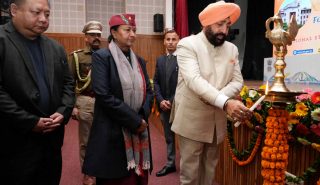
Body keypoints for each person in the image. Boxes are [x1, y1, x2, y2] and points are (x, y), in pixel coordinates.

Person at [170, 1, 252, 185]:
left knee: (209, 173)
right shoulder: (187, 45)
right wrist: (224, 101)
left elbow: (238, 81)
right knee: (190, 176)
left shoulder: (232, 49)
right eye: (219, 24)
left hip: (216, 122)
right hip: (192, 120)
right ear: (206, 23)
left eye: (228, 25)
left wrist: (219, 99)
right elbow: (194, 81)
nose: (224, 30)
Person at [0, 0, 75, 185]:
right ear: (14, 10)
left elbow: (68, 83)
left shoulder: (55, 47)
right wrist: (30, 121)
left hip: (51, 142)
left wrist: (63, 111)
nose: (43, 19)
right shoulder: (2, 40)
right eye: (36, 13)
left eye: (47, 14)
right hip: (14, 143)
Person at [82, 14, 153, 185]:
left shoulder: (140, 61)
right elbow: (103, 95)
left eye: (134, 30)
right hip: (112, 131)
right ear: (114, 33)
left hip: (138, 129)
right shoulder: (102, 57)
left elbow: (149, 92)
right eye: (127, 30)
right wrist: (135, 121)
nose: (133, 34)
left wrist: (142, 117)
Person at [68, 20, 103, 185]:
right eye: (92, 35)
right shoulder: (77, 56)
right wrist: (73, 106)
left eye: (98, 35)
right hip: (85, 100)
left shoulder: (107, 55)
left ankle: (102, 169)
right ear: (86, 37)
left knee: (103, 137)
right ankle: (88, 173)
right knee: (86, 140)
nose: (96, 37)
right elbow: (69, 83)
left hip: (104, 102)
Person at [153, 29, 179, 177]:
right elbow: (155, 81)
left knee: (183, 139)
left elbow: (184, 83)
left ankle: (188, 167)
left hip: (179, 106)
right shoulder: (160, 60)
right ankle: (170, 164)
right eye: (168, 39)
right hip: (164, 106)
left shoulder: (183, 59)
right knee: (169, 137)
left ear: (178, 41)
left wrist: (171, 100)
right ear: (164, 42)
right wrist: (161, 99)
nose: (170, 42)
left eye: (173, 39)